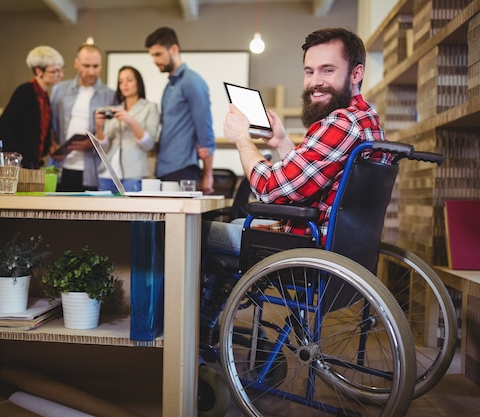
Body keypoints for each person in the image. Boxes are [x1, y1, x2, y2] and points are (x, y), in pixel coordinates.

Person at [200, 27, 391, 344]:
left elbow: (271, 188)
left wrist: (242, 139)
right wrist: (282, 142)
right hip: (343, 248)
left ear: (356, 73)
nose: (315, 81)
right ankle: (219, 323)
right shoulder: (366, 119)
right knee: (234, 226)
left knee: (201, 233)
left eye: (328, 70)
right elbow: (312, 183)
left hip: (309, 247)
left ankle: (202, 331)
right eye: (309, 71)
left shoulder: (340, 123)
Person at [145, 27, 215, 194]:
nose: (154, 60)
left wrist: (208, 175)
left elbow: (204, 129)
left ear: (174, 49)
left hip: (182, 168)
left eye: (158, 54)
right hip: (164, 168)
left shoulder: (191, 81)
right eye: (152, 55)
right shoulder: (170, 85)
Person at [50, 43, 115, 192]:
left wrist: (93, 143)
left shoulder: (110, 95)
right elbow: (51, 124)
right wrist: (52, 144)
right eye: (86, 66)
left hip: (93, 170)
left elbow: (113, 133)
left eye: (96, 66)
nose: (91, 71)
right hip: (61, 166)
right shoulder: (59, 90)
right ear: (76, 64)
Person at [0, 46, 64, 169]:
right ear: (38, 71)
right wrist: (17, 157)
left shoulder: (44, 95)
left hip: (31, 162)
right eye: (54, 71)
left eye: (60, 70)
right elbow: (3, 126)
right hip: (17, 163)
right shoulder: (26, 91)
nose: (60, 75)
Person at [94, 66, 160, 193]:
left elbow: (148, 144)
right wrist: (98, 126)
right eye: (121, 82)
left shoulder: (149, 107)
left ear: (138, 83)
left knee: (131, 212)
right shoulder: (113, 109)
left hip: (133, 172)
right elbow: (104, 148)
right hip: (107, 173)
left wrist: (131, 121)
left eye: (129, 80)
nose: (124, 84)